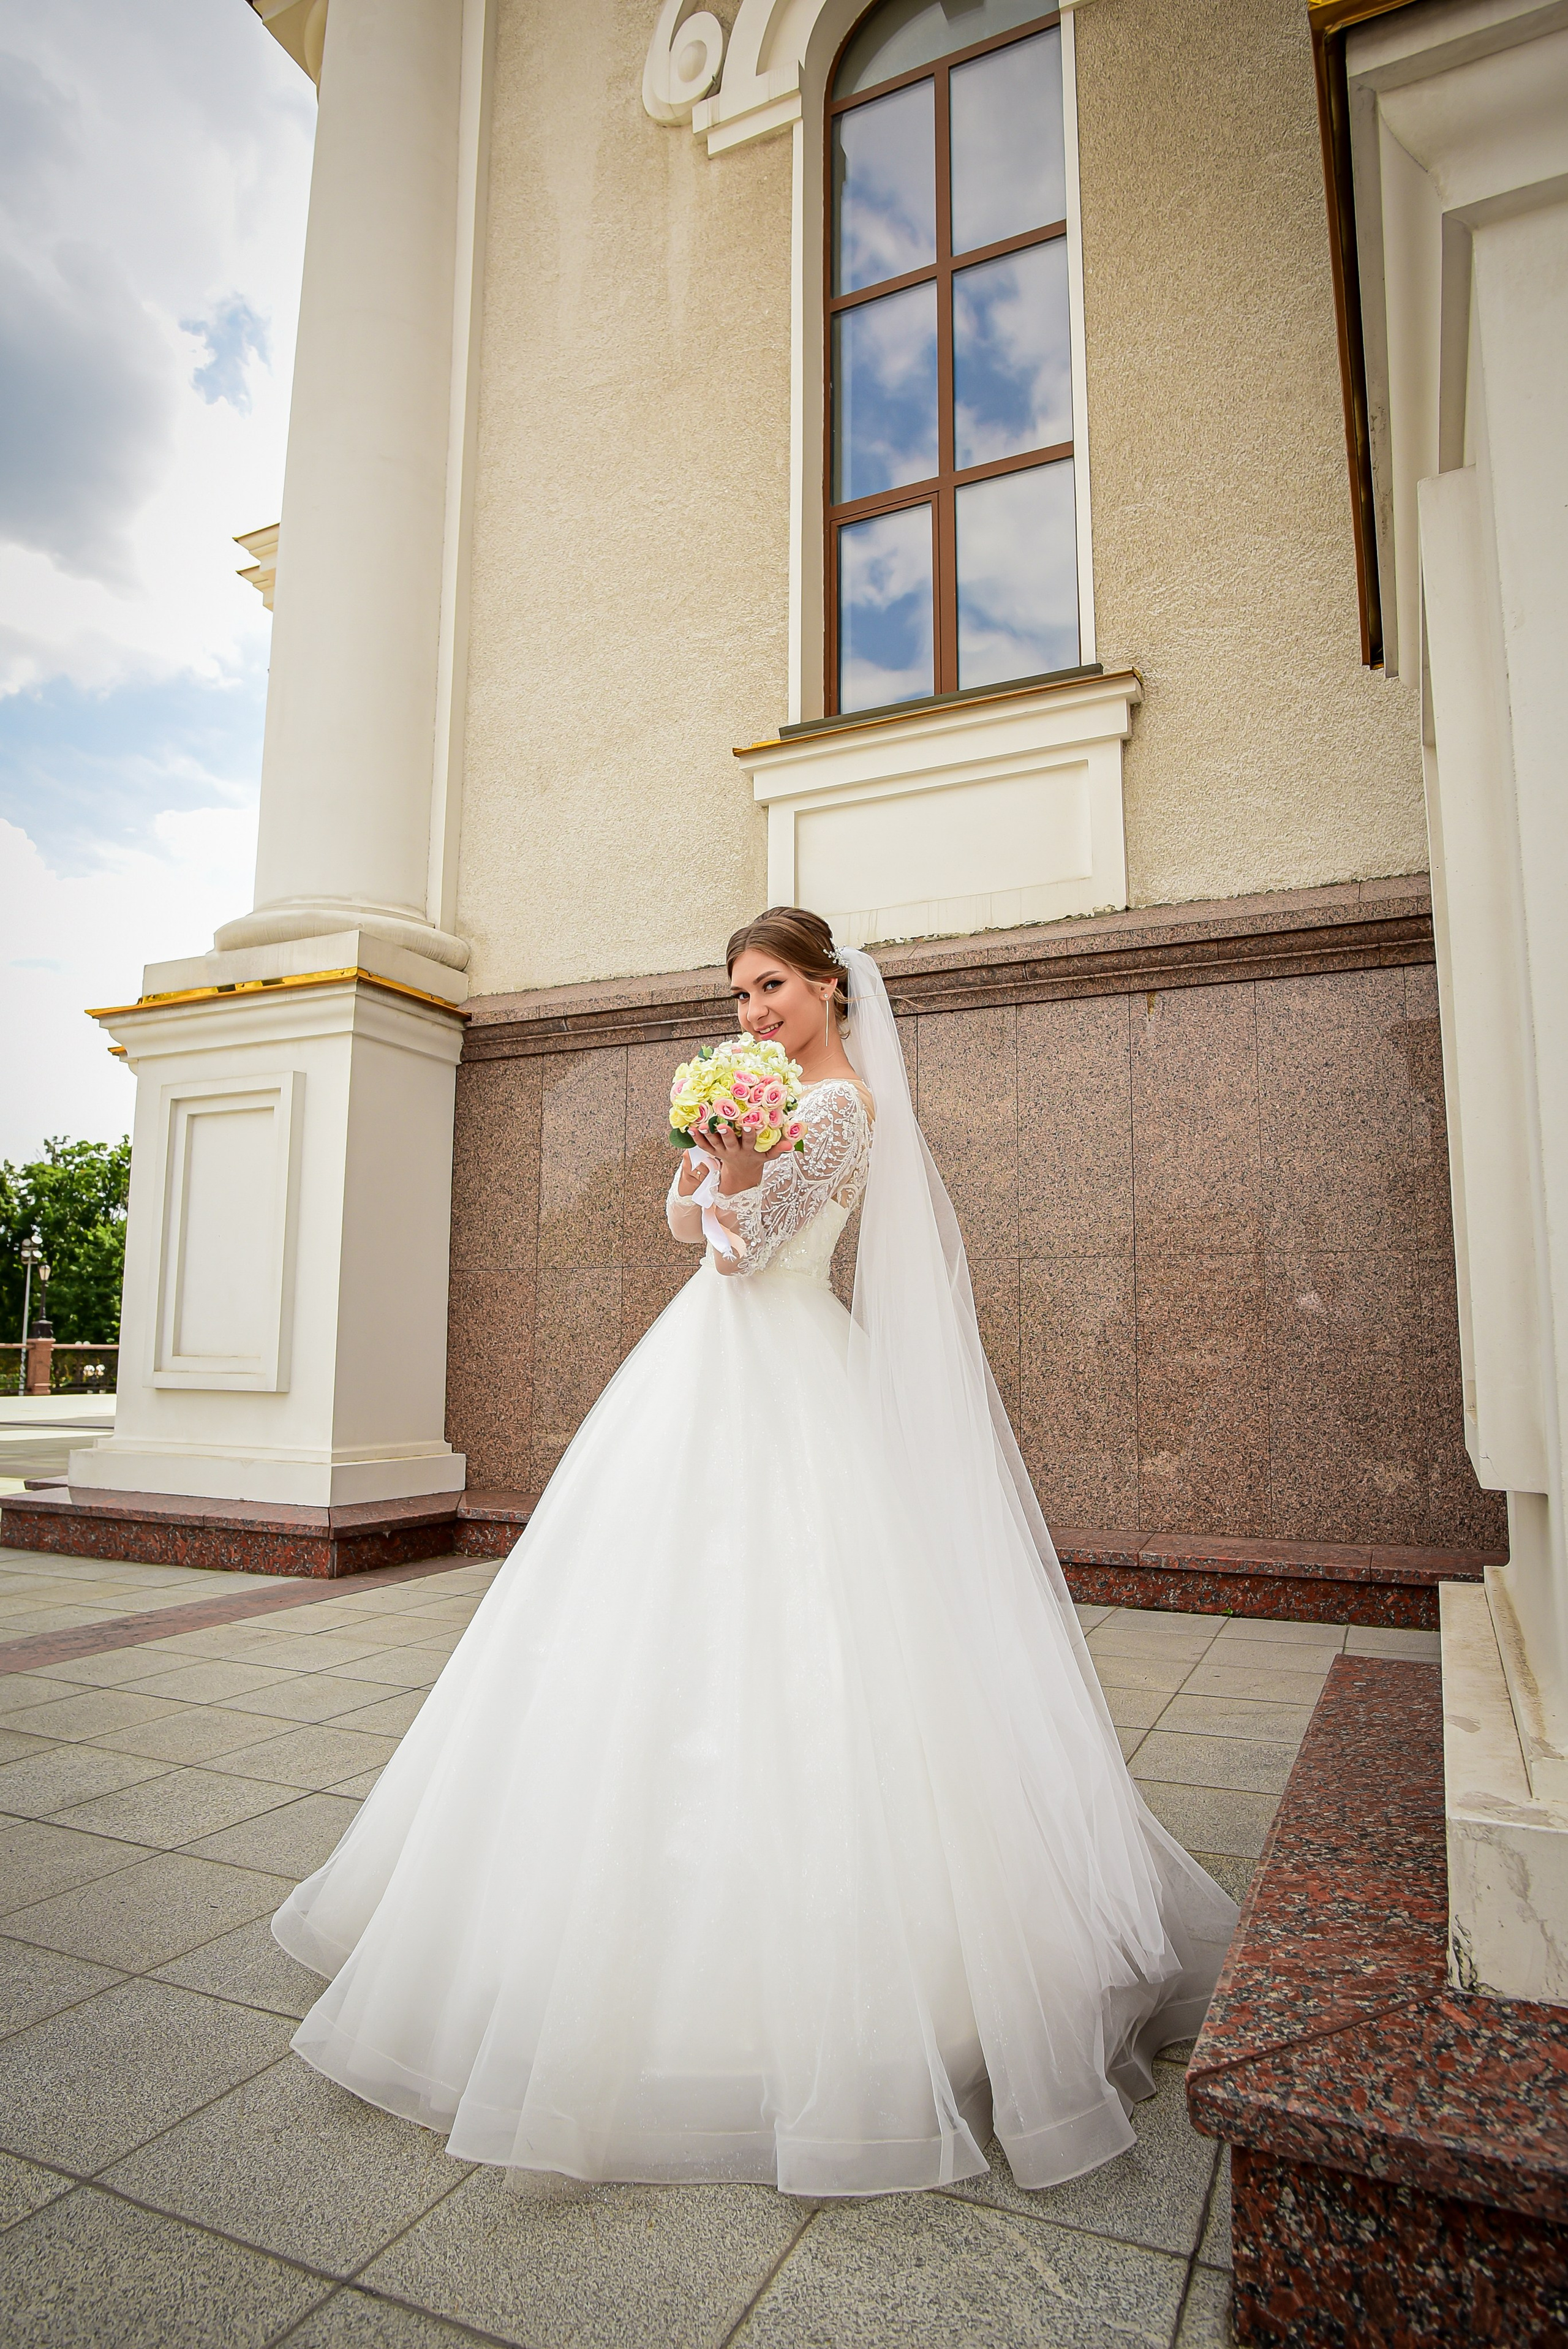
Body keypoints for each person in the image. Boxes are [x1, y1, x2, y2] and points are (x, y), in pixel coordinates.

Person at [273, 907, 1236, 2198]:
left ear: (829, 987)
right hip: (708, 1367)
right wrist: (707, 1170)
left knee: (807, 1643)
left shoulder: (837, 1108)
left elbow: (752, 1252)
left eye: (769, 986)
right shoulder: (767, 1092)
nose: (750, 1013)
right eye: (735, 996)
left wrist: (726, 1177)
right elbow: (691, 1235)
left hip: (781, 1361)